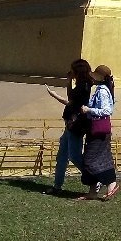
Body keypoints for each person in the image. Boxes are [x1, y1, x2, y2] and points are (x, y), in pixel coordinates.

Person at [46, 59, 92, 196]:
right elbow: (72, 103)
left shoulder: (84, 85)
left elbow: (71, 99)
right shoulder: (81, 85)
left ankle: (95, 178)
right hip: (70, 124)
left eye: (72, 70)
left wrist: (67, 82)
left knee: (74, 156)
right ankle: (57, 186)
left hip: (76, 126)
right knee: (62, 156)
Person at [78, 64, 119, 201]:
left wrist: (89, 110)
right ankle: (92, 191)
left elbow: (107, 111)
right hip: (96, 130)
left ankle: (111, 183)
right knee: (100, 159)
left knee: (90, 160)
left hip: (98, 131)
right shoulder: (102, 89)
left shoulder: (102, 91)